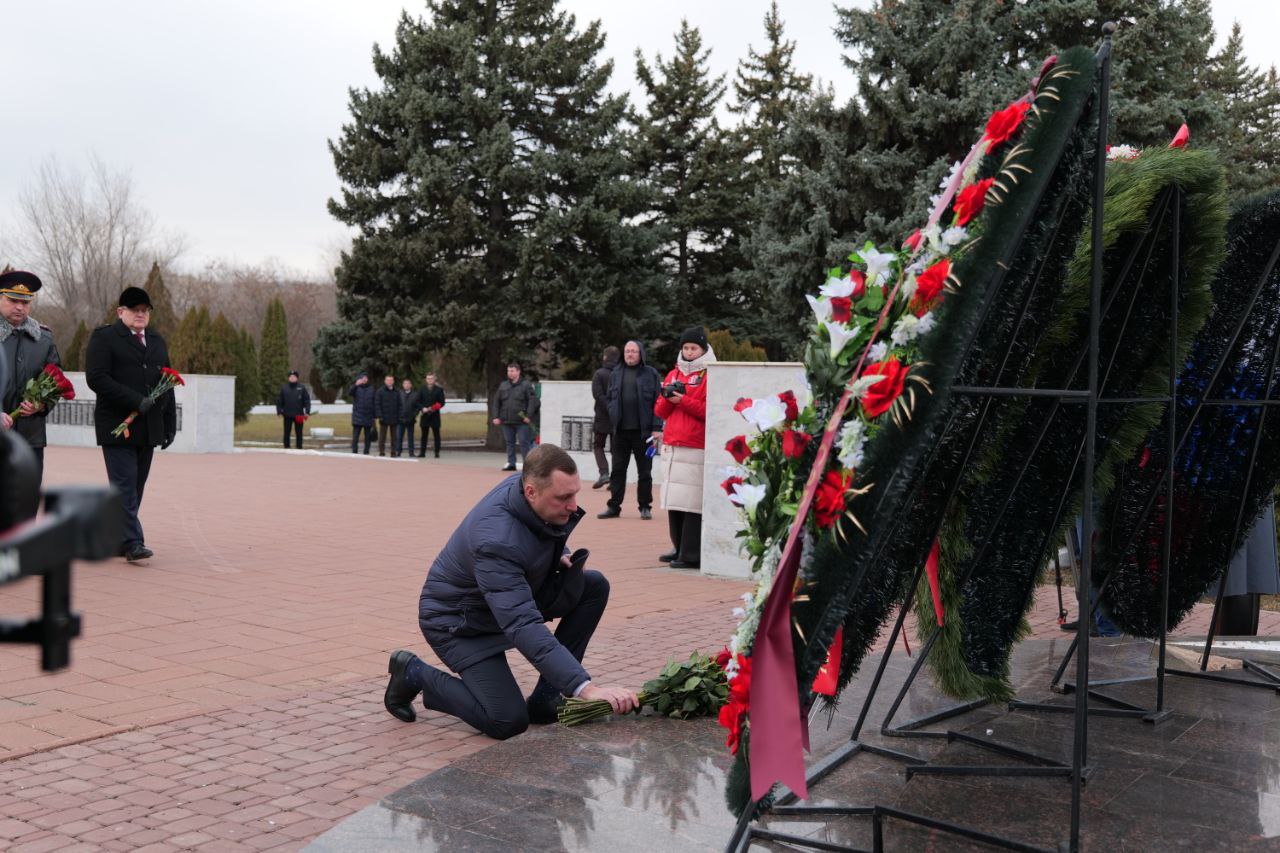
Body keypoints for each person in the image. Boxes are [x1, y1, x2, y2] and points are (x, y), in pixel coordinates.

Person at [383, 444, 638, 738]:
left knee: (592, 586)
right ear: (531, 491)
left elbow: (540, 531)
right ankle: (413, 672)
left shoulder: (526, 487)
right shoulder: (496, 542)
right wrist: (587, 689)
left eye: (575, 493)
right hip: (459, 623)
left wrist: (561, 552)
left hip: (499, 603)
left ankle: (546, 699)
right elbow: (522, 623)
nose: (573, 505)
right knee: (507, 720)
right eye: (564, 498)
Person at [84, 286, 177, 563]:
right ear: (120, 312)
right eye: (134, 310)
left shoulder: (157, 341)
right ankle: (134, 542)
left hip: (148, 428)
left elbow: (168, 382)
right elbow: (97, 378)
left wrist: (170, 422)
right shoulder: (105, 338)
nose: (140, 314)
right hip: (117, 425)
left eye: (144, 310)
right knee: (124, 484)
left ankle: (116, 538)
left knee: (135, 486)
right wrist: (135, 400)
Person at [654, 326, 715, 569]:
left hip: (695, 445)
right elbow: (659, 410)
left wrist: (684, 400)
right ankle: (678, 546)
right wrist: (669, 399)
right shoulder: (673, 374)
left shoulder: (711, 375)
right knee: (675, 500)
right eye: (686, 347)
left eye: (693, 348)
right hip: (673, 445)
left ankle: (691, 554)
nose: (689, 352)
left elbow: (709, 410)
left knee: (692, 502)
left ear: (703, 349)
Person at [0, 271, 61, 486]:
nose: (19, 307)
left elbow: (56, 381)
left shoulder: (43, 339)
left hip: (30, 437)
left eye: (25, 302)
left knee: (26, 501)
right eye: (12, 300)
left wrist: (41, 405)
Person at [597, 341, 662, 521]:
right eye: (627, 351)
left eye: (633, 351)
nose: (630, 354)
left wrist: (657, 428)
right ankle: (614, 506)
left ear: (640, 353)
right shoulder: (616, 373)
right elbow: (610, 397)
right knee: (618, 470)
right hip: (620, 432)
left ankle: (644, 506)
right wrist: (612, 412)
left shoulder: (651, 373)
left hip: (645, 433)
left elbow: (659, 402)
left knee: (645, 472)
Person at [490, 361, 539, 471]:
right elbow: (497, 402)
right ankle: (511, 463)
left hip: (522, 421)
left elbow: (532, 401)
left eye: (512, 371)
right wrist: (495, 417)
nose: (510, 373)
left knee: (523, 443)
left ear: (518, 372)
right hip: (506, 420)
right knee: (509, 443)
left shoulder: (526, 385)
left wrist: (529, 416)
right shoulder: (503, 385)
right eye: (508, 371)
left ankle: (527, 465)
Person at [589, 346, 619, 489]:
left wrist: (607, 406)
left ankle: (604, 473)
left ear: (605, 357)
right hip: (617, 417)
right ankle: (614, 480)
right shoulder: (620, 374)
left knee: (598, 445)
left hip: (601, 416)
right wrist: (614, 407)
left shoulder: (599, 374)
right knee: (616, 449)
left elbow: (597, 394)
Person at [276, 369, 311, 449]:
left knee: (299, 432)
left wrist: (307, 412)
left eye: (294, 377)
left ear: (297, 378)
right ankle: (286, 447)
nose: (292, 378)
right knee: (287, 432)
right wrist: (279, 411)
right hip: (287, 414)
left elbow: (307, 401)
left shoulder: (302, 388)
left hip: (299, 415)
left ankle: (299, 447)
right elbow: (279, 401)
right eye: (290, 377)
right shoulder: (284, 388)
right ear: (288, 378)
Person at [417, 372, 446, 458]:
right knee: (424, 436)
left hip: (435, 416)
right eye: (428, 378)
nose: (430, 380)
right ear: (426, 380)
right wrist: (422, 408)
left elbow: (442, 403)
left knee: (436, 435)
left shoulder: (439, 390)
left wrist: (432, 408)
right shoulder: (422, 389)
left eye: (431, 378)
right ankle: (422, 453)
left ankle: (437, 452)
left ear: (434, 379)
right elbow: (418, 402)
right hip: (425, 415)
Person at [374, 374, 401, 457]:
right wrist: (380, 416)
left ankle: (393, 452)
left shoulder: (397, 391)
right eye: (388, 380)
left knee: (394, 437)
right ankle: (381, 451)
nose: (389, 382)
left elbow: (400, 405)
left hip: (394, 418)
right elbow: (377, 404)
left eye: (391, 380)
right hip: (383, 418)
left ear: (393, 381)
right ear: (385, 381)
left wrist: (399, 415)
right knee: (382, 437)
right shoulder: (380, 391)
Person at [349, 372, 375, 454]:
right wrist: (355, 385)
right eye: (362, 378)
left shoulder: (371, 388)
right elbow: (350, 393)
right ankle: (354, 451)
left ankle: (366, 451)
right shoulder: (356, 388)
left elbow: (374, 402)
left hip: (368, 416)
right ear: (359, 379)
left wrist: (374, 415)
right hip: (358, 416)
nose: (364, 379)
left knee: (368, 437)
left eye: (366, 378)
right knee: (355, 436)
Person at [396, 377, 417, 458]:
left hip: (410, 419)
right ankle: (398, 452)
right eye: (405, 384)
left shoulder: (415, 394)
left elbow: (417, 407)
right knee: (399, 437)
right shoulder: (399, 393)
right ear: (403, 385)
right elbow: (396, 406)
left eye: (408, 383)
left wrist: (414, 415)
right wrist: (398, 415)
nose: (406, 385)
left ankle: (411, 452)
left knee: (410, 437)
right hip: (400, 419)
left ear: (411, 385)